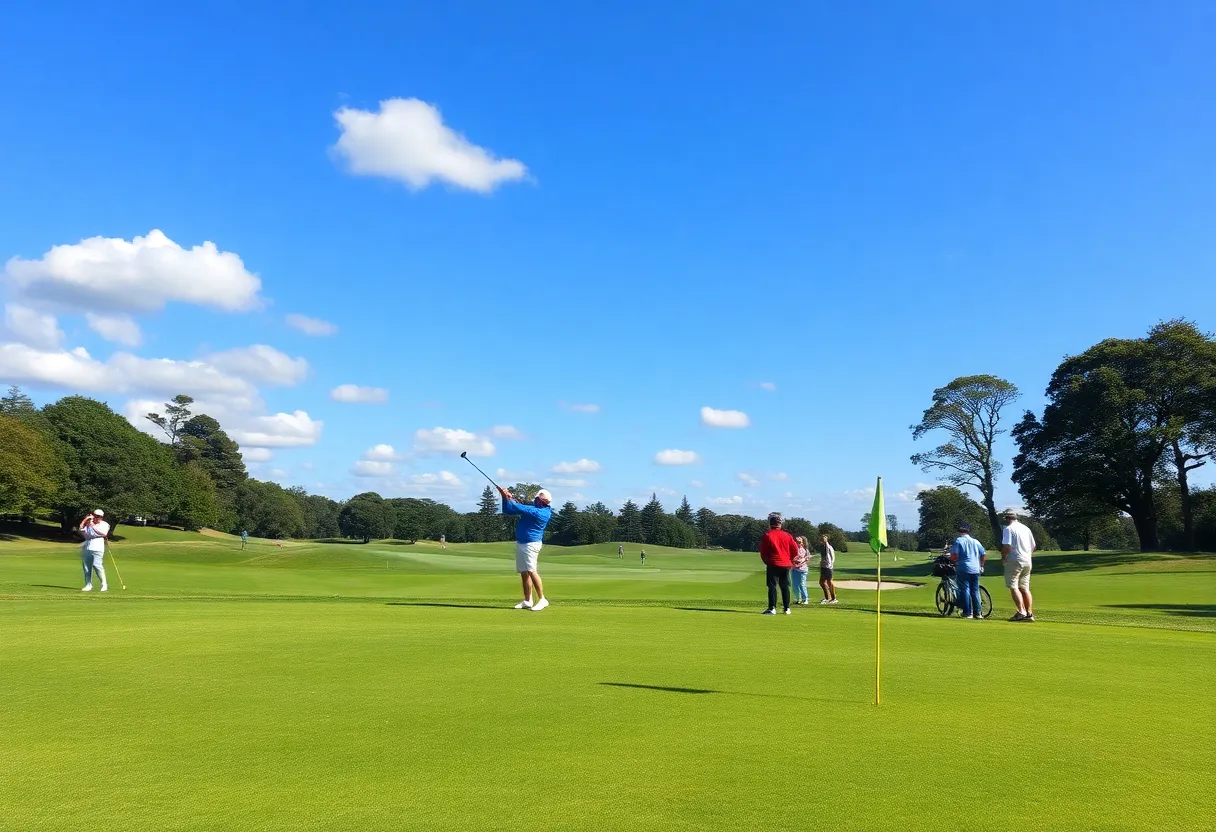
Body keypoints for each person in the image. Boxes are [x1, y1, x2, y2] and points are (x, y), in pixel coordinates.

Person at [500, 486, 553, 611]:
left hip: (531, 545)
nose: (535, 500)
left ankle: (542, 599)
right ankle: (528, 600)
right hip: (521, 543)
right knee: (524, 573)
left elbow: (520, 507)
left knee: (531, 571)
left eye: (537, 499)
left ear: (542, 501)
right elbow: (508, 510)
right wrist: (504, 497)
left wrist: (508, 497)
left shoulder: (542, 513)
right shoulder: (533, 509)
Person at [1001, 508, 1037, 621]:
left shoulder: (1008, 529)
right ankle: (1029, 614)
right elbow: (1033, 547)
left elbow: (1007, 546)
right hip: (1027, 561)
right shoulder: (1026, 528)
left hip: (1014, 560)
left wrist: (1003, 558)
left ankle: (1021, 612)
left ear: (1007, 518)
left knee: (1013, 586)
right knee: (1025, 588)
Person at [759, 512, 798, 615]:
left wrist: (767, 562)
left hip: (773, 563)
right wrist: (790, 559)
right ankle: (787, 608)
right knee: (784, 586)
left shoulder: (768, 535)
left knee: (772, 586)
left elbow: (763, 552)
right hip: (785, 564)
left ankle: (772, 608)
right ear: (780, 524)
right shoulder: (787, 535)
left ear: (770, 524)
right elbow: (795, 550)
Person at [949, 523, 986, 619]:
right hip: (975, 568)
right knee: (975, 590)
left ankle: (967, 612)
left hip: (963, 567)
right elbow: (983, 554)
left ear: (959, 532)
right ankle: (978, 613)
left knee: (965, 589)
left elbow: (954, 555)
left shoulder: (958, 541)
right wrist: (981, 565)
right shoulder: (976, 541)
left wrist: (953, 561)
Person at [78, 509, 110, 592]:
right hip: (87, 546)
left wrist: (92, 525)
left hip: (98, 546)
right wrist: (85, 520)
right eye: (96, 516)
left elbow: (104, 533)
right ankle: (88, 585)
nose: (98, 518)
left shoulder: (104, 524)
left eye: (99, 517)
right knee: (86, 567)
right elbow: (81, 529)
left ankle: (104, 584)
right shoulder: (88, 523)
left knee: (97, 566)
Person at [818, 534, 838, 604]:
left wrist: (830, 564)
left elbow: (832, 557)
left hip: (828, 566)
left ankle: (834, 598)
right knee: (822, 582)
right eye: (822, 538)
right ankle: (827, 597)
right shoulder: (822, 547)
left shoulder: (829, 547)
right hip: (823, 566)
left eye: (825, 538)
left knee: (829, 581)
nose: (823, 539)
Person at [791, 535, 811, 605]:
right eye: (797, 542)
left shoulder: (805, 550)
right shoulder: (794, 549)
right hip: (794, 569)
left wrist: (803, 560)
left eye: (800, 542)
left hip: (802, 569)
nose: (799, 544)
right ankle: (798, 599)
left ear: (803, 543)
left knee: (802, 584)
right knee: (795, 585)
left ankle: (805, 599)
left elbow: (807, 557)